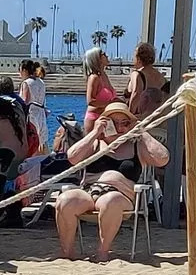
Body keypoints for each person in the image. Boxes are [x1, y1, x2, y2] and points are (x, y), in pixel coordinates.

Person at [53, 99, 167, 260]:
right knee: (65, 200)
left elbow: (163, 159)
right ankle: (67, 252)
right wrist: (95, 132)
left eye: (125, 123)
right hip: (90, 191)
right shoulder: (95, 144)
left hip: (121, 196)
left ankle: (102, 252)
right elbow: (72, 157)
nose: (120, 128)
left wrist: (142, 132)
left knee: (110, 200)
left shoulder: (135, 145)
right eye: (114, 123)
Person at [17, 56, 52, 158]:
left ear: (24, 70)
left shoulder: (26, 83)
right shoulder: (41, 82)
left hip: (31, 114)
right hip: (41, 113)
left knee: (31, 138)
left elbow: (25, 101)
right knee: (41, 140)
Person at [123, 41, 167, 120]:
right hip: (154, 117)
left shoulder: (137, 74)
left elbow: (136, 94)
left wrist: (129, 116)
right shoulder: (161, 77)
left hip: (139, 117)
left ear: (138, 58)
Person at [81, 47, 115, 123]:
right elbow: (90, 101)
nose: (107, 56)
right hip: (94, 118)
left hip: (106, 118)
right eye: (104, 54)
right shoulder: (94, 78)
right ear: (97, 59)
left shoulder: (104, 76)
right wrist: (110, 104)